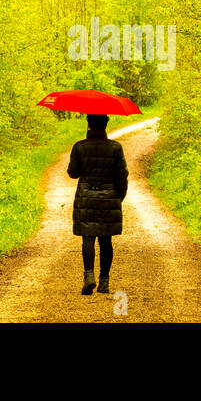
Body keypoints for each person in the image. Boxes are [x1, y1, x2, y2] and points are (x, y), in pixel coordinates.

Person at [66, 113, 128, 295]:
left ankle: (89, 276)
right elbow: (122, 176)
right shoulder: (116, 148)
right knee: (106, 239)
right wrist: (119, 197)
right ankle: (104, 282)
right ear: (106, 124)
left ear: (88, 124)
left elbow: (73, 173)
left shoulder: (79, 147)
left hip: (86, 195)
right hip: (109, 195)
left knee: (88, 237)